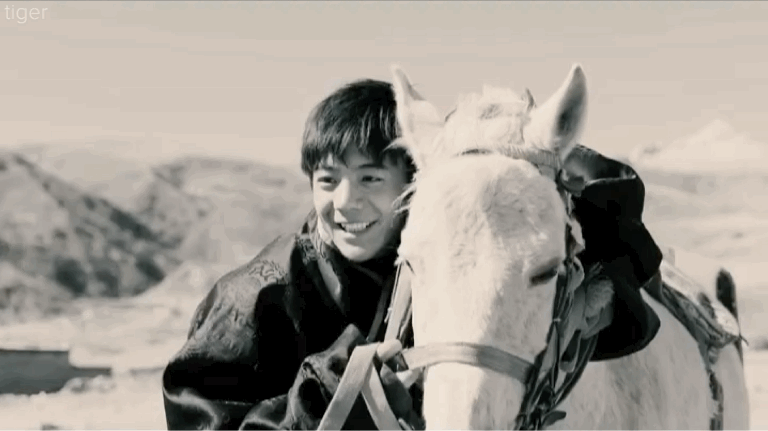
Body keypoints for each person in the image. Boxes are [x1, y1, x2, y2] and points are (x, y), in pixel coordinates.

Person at [161, 78, 664, 430]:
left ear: (413, 183)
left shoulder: (441, 256)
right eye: (328, 180)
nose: (346, 202)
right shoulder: (253, 299)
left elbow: (610, 220)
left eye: (371, 179)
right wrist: (331, 400)